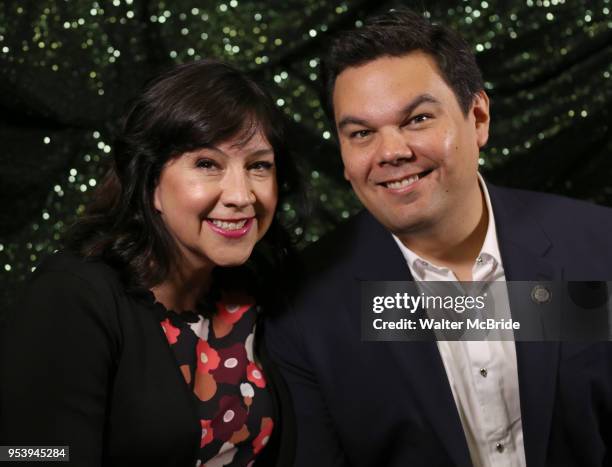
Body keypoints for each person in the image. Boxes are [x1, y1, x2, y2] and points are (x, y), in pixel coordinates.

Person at [265, 8, 612, 467]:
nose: (391, 152)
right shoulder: (303, 307)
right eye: (362, 133)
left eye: (418, 119)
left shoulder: (599, 244)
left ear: (479, 118)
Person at [0, 60, 298, 466]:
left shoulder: (257, 292)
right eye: (207, 164)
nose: (242, 195)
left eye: (258, 166)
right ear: (150, 183)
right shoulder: (72, 298)